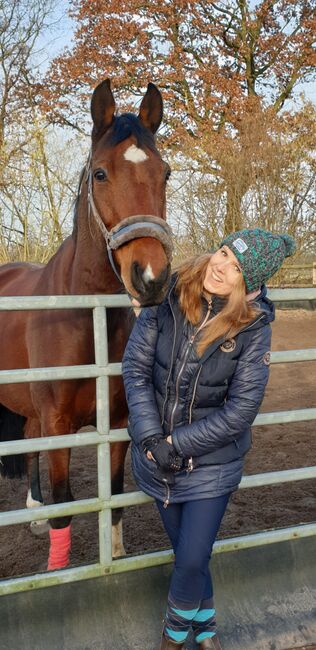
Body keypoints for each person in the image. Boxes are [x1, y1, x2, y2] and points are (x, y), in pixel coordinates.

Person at [122, 228, 296, 650]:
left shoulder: (253, 328)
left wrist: (176, 445)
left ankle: (173, 638)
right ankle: (209, 631)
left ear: (248, 283)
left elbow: (240, 412)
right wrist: (150, 439)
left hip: (211, 463)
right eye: (223, 253)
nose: (221, 267)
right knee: (190, 556)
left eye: (236, 268)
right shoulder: (167, 297)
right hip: (156, 457)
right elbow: (136, 370)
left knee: (194, 556)